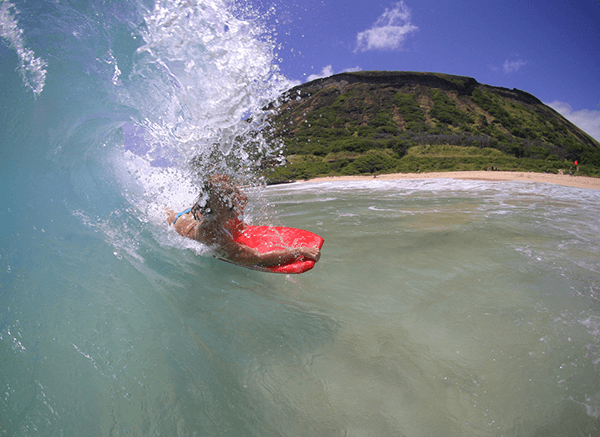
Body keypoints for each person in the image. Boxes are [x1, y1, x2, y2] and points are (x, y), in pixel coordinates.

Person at [166, 175, 321, 267]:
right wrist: (297, 252)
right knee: (168, 213)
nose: (231, 201)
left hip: (199, 214)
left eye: (230, 193)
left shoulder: (235, 200)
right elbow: (257, 259)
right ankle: (166, 211)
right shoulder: (212, 231)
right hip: (180, 223)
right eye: (222, 198)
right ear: (211, 204)